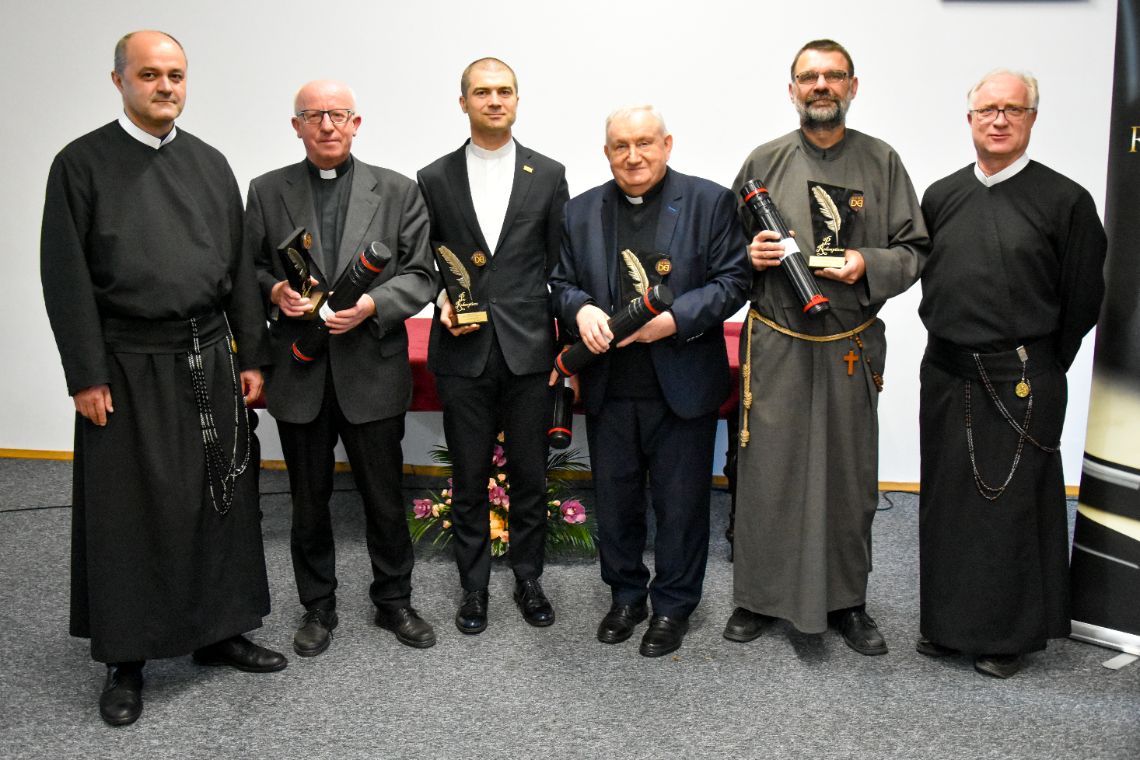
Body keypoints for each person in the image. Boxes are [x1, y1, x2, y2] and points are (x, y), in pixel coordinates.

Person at [40, 30, 286, 727]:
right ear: (118, 81)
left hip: (207, 354)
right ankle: (127, 658)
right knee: (130, 512)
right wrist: (85, 374)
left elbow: (238, 271)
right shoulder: (80, 164)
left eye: (175, 74)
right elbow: (65, 276)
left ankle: (219, 630)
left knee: (220, 498)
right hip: (125, 364)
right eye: (149, 74)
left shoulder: (210, 163)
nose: (165, 86)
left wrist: (251, 357)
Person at [726, 39, 928, 655]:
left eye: (833, 76)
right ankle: (758, 598)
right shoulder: (764, 161)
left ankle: (847, 602)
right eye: (809, 77)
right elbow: (723, 256)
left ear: (852, 87)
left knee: (848, 477)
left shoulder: (882, 161)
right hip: (780, 343)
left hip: (848, 345)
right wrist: (750, 255)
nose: (821, 86)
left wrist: (867, 261)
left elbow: (914, 250)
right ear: (792, 89)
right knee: (769, 475)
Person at [917, 70, 1105, 678]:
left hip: (1021, 377)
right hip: (946, 373)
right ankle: (947, 626)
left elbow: (1082, 299)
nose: (999, 120)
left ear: (1031, 119)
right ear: (970, 119)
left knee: (1008, 508)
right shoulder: (941, 195)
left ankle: (1005, 636)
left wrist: (1040, 365)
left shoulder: (1066, 200)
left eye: (1013, 110)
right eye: (988, 110)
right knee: (946, 503)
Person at [244, 80, 437, 655]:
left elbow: (422, 274)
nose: (327, 125)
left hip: (371, 366)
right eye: (313, 115)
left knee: (384, 497)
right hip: (299, 370)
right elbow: (247, 268)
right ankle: (318, 605)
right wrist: (275, 290)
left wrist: (373, 305)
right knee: (308, 501)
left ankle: (394, 600)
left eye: (338, 114)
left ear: (356, 123)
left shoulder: (398, 191)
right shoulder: (266, 190)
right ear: (296, 126)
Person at [550, 105, 750, 657]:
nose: (633, 156)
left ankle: (673, 606)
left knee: (681, 506)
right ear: (606, 152)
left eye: (644, 143)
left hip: (681, 383)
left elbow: (734, 281)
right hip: (609, 385)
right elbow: (560, 283)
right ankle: (625, 596)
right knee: (615, 502)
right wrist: (580, 309)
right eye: (620, 146)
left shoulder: (710, 201)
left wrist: (674, 320)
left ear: (667, 144)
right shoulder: (580, 210)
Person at [417, 58, 569, 634]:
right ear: (464, 103)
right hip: (463, 350)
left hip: (530, 350)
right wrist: (441, 299)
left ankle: (529, 577)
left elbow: (560, 265)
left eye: (504, 91)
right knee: (468, 477)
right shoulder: (433, 177)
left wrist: (569, 353)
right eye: (482, 92)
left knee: (531, 476)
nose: (495, 100)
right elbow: (424, 260)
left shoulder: (548, 174)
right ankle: (474, 587)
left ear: (517, 100)